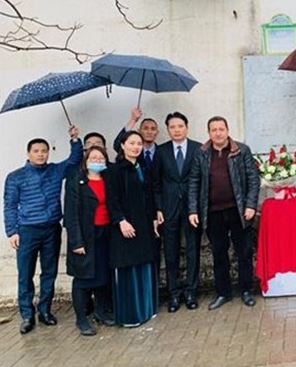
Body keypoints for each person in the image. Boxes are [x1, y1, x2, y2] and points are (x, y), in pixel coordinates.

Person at [3, 126, 82, 334]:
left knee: (49, 272)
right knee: (25, 274)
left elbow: (74, 161)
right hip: (27, 230)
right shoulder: (15, 177)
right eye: (36, 151)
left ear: (48, 153)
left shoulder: (55, 170)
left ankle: (45, 310)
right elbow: (9, 205)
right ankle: (27, 315)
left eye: (44, 151)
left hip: (51, 229)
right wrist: (12, 231)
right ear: (28, 153)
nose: (40, 154)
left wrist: (75, 140)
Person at [188, 117, 260, 310]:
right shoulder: (201, 154)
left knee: (244, 252)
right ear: (209, 132)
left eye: (221, 129)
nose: (218, 133)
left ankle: (246, 290)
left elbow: (253, 180)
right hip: (213, 213)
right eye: (214, 130)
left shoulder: (242, 151)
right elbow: (194, 182)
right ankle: (223, 293)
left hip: (239, 211)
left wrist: (251, 205)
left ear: (228, 130)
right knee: (219, 254)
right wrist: (193, 209)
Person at [105, 131, 158, 327]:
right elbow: (112, 199)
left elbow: (149, 195)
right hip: (126, 226)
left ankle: (147, 309)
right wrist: (121, 220)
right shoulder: (115, 170)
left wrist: (154, 216)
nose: (136, 147)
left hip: (144, 225)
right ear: (123, 146)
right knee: (129, 268)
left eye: (139, 143)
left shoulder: (143, 167)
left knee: (145, 264)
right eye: (132, 143)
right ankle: (131, 314)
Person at [152, 112, 202, 312]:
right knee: (170, 252)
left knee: (192, 250)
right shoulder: (161, 151)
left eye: (180, 126)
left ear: (186, 127)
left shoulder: (198, 149)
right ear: (168, 129)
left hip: (192, 208)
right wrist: (158, 208)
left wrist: (197, 206)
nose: (177, 130)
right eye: (172, 127)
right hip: (168, 208)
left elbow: (202, 180)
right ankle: (174, 294)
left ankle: (191, 291)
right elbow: (155, 182)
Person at [64, 146, 116, 336]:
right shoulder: (76, 181)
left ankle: (101, 312)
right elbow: (70, 214)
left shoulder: (107, 179)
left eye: (101, 158)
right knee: (83, 278)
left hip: (105, 232)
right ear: (85, 161)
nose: (97, 161)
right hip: (85, 235)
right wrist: (76, 242)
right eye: (93, 158)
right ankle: (81, 319)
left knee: (102, 275)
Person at [113, 107, 159, 172]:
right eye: (145, 128)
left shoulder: (163, 152)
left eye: (153, 129)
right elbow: (117, 144)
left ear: (157, 133)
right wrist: (133, 120)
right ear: (139, 131)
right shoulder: (133, 151)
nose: (149, 132)